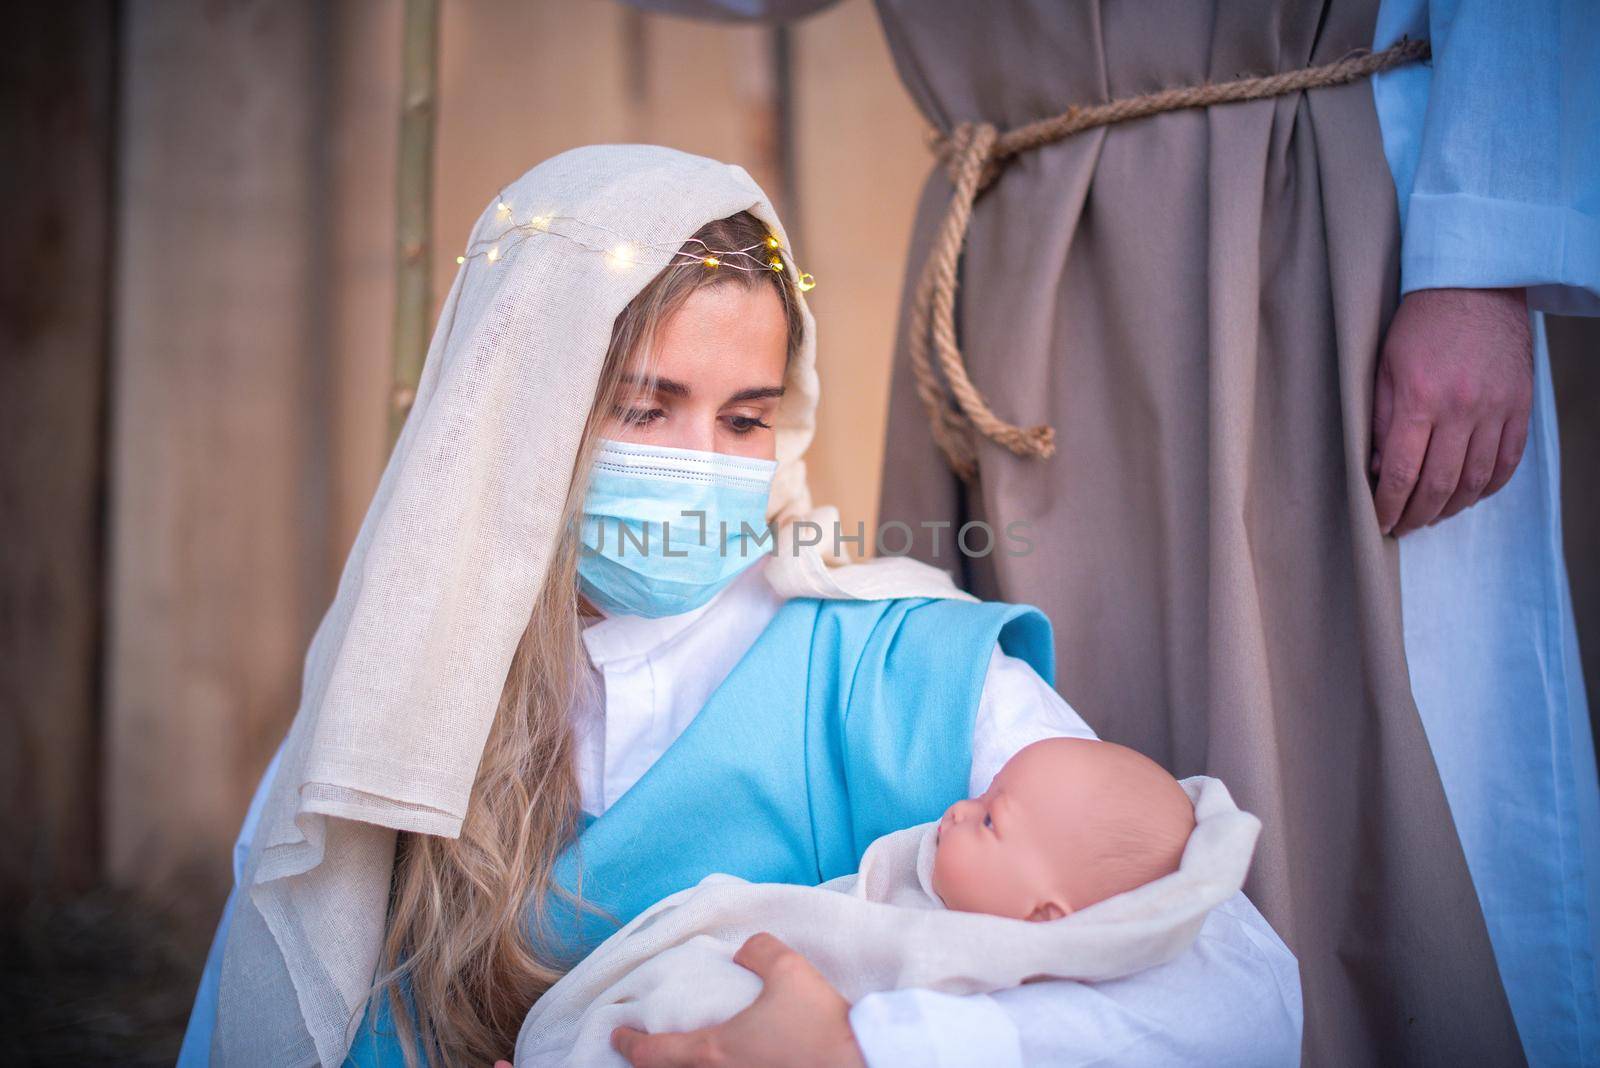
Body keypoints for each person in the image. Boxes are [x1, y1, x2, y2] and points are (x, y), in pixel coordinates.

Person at [180, 146, 1300, 1067]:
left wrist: (868, 1051)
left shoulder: (900, 672)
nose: (700, 462)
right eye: (644, 408)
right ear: (516, 415)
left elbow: (1244, 993)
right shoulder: (392, 705)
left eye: (744, 420)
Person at [629, 0, 1600, 1063]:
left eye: (743, 418)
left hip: (1301, 206)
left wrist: (1477, 254)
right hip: (1017, 233)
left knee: (1337, 733)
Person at [514, 738, 1259, 1067]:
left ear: (1045, 917)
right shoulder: (925, 882)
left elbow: (1256, 1012)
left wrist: (861, 1045)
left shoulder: (1003, 962)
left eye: (992, 819)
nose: (958, 812)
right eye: (980, 794)